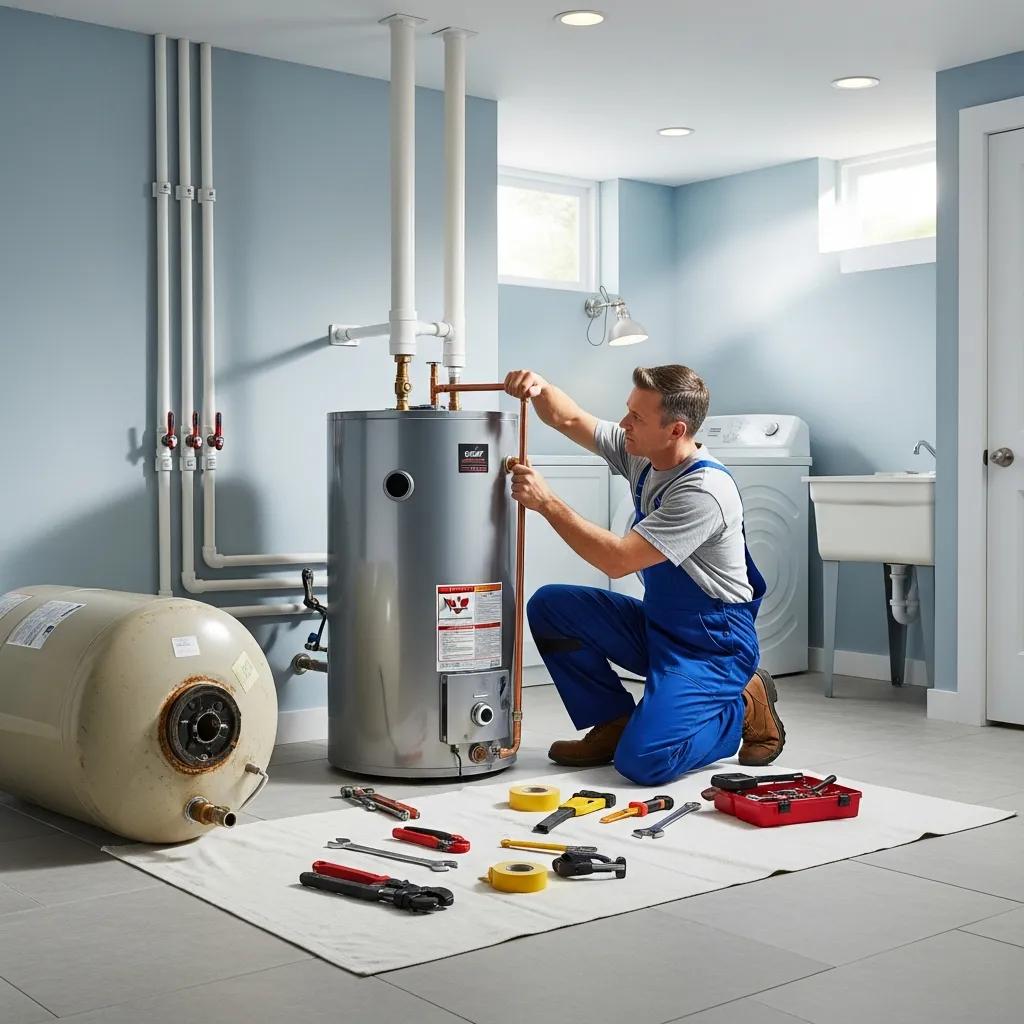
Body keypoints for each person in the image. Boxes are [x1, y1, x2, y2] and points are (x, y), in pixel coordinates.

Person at [504, 364, 785, 786]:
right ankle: (613, 722)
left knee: (645, 761)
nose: (624, 424)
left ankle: (741, 705)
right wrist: (539, 387)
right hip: (660, 626)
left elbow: (618, 560)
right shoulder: (644, 456)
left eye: (637, 417)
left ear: (676, 430)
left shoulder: (703, 491)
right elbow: (569, 418)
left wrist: (547, 503)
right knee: (552, 606)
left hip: (712, 645)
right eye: (628, 411)